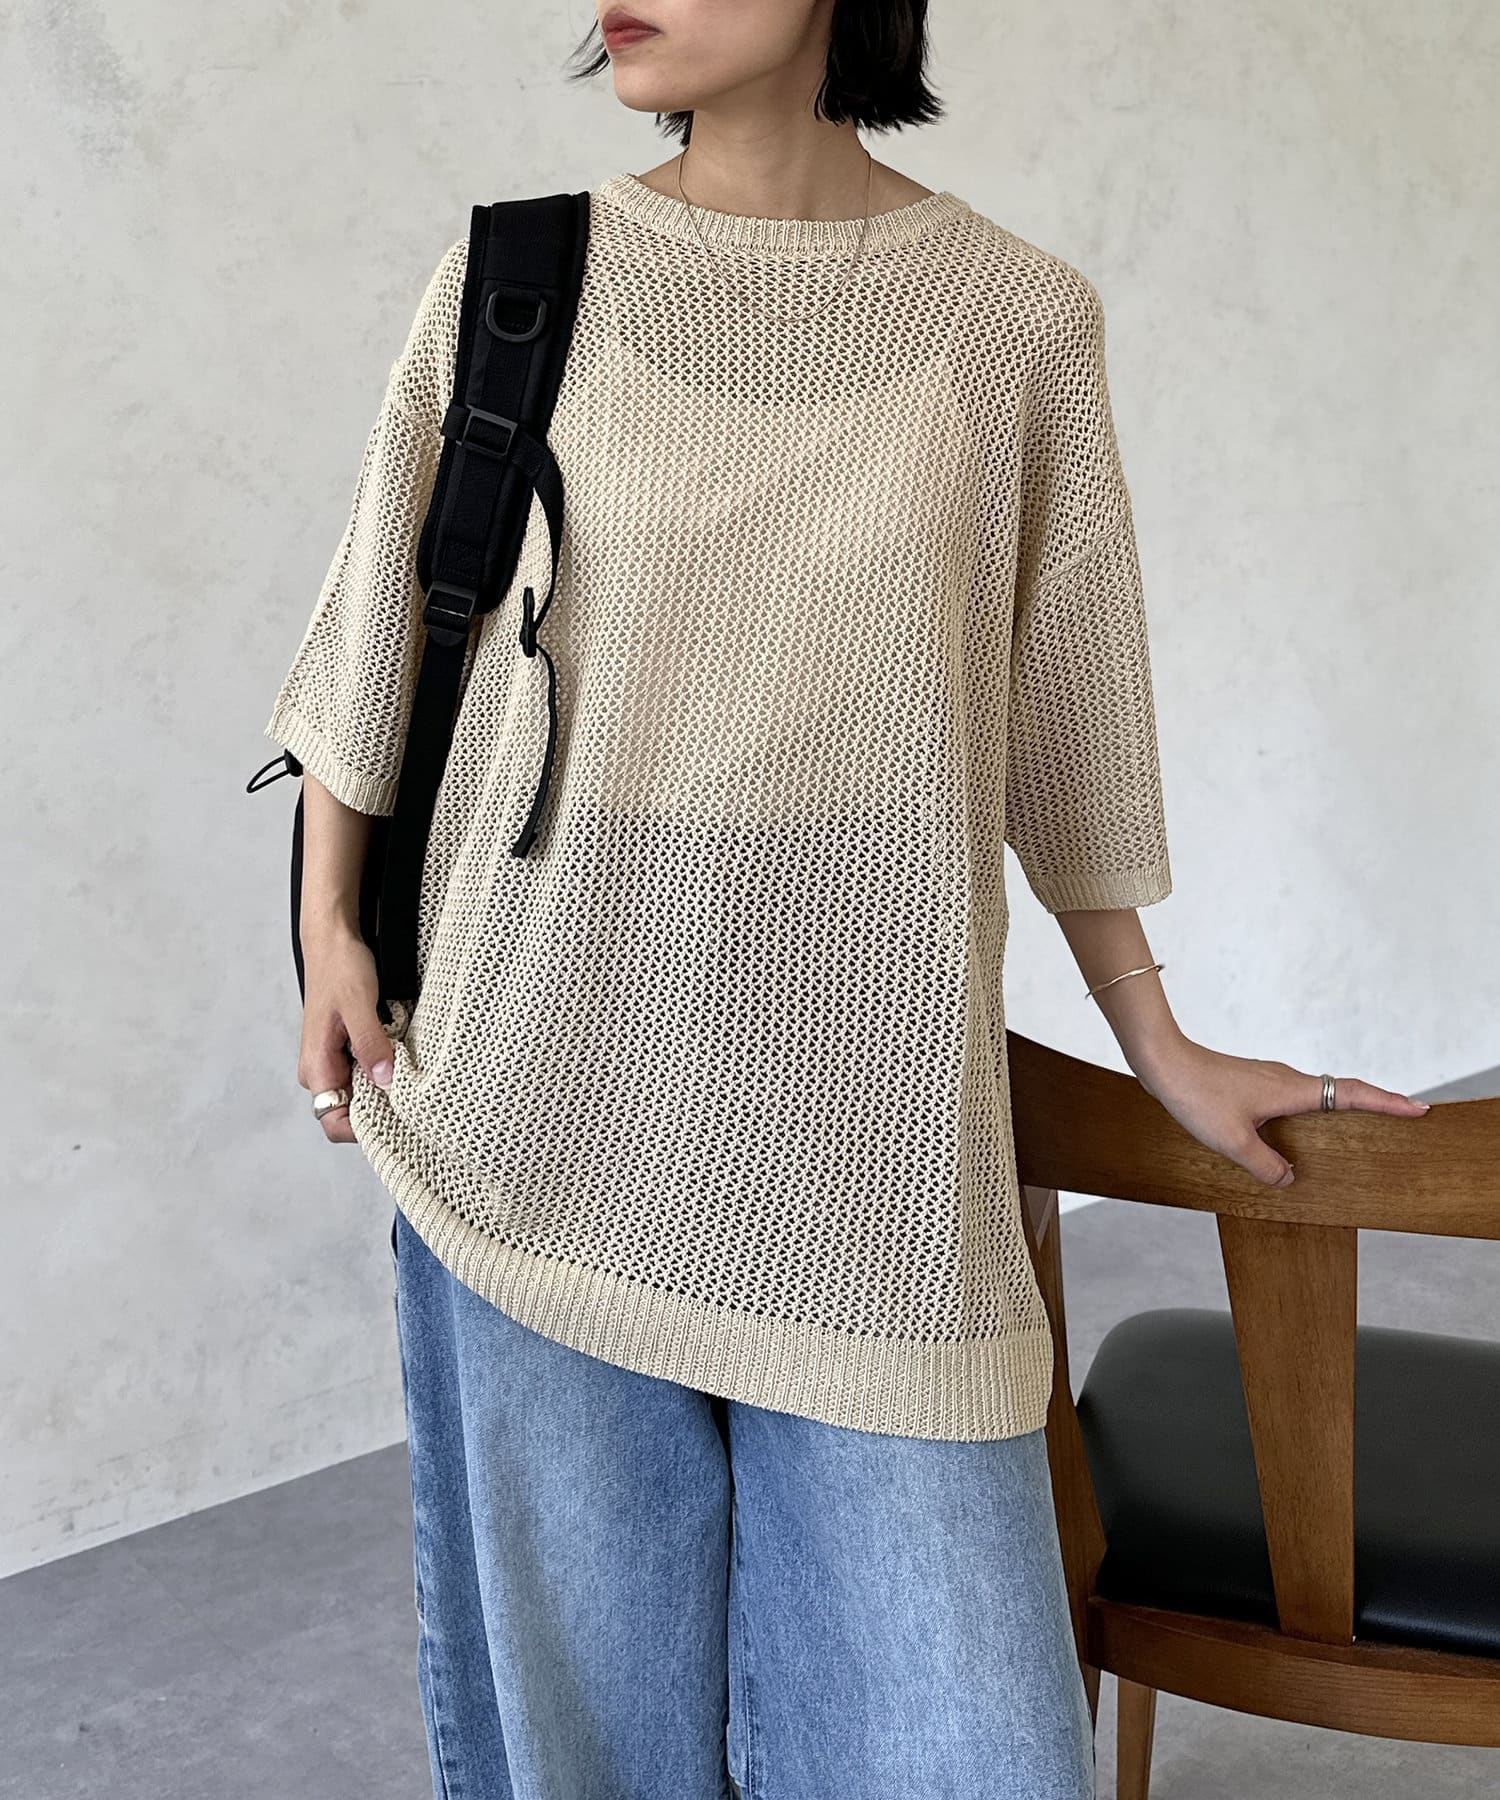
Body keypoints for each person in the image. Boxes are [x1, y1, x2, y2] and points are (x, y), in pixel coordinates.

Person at [259, 3, 1432, 1795]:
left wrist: (1161, 1043)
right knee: (589, 1753)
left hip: (870, 1148)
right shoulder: (518, 281)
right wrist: (332, 934)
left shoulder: (1014, 321)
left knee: (968, 1749)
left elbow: (1066, 725)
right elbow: (379, 627)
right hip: (532, 1098)